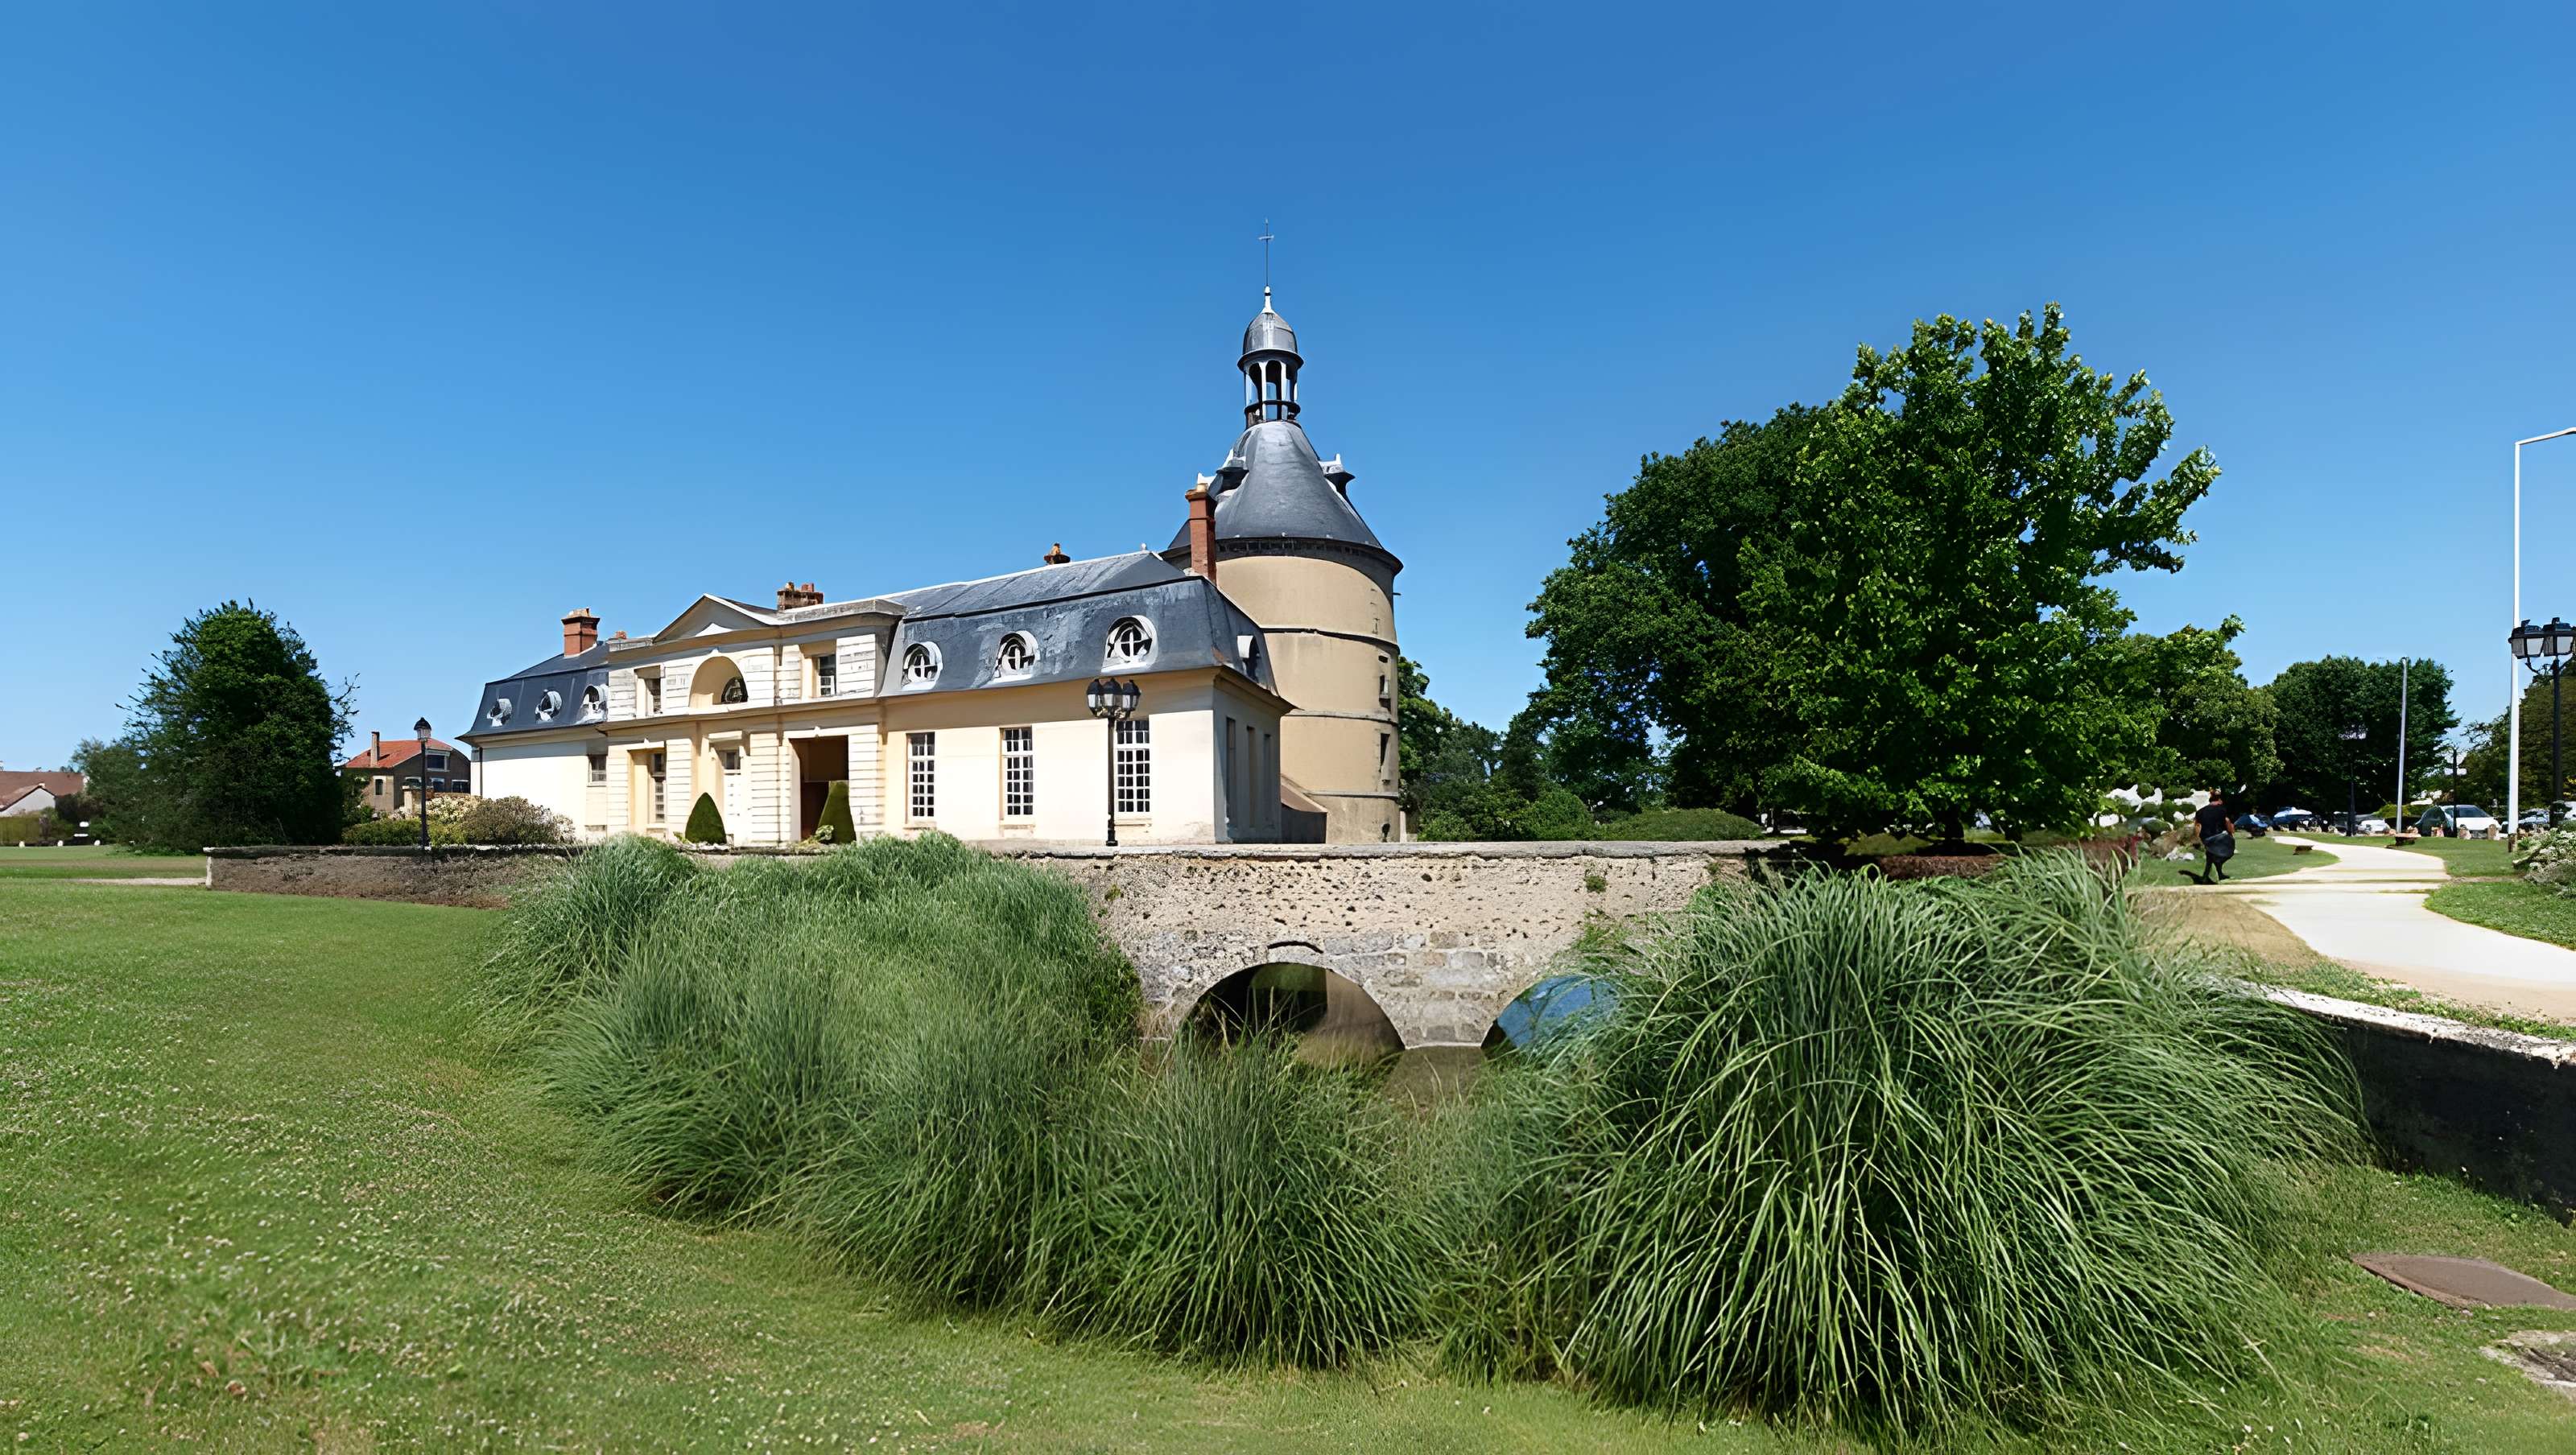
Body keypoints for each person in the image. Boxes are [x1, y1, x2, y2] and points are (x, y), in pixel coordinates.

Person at [2192, 789, 2237, 884]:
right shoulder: (2222, 809)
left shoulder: (2200, 812)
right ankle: (2217, 865)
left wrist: (2197, 840)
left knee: (2210, 855)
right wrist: (2231, 832)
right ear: (2220, 800)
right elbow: (2228, 824)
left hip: (2205, 840)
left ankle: (2210, 875)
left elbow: (2196, 826)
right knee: (2230, 845)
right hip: (2217, 839)